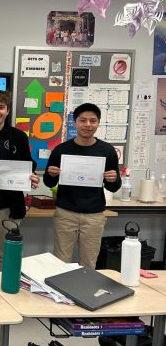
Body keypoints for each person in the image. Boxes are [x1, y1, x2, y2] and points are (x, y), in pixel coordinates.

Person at [43, 103, 121, 268]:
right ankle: (59, 292)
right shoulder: (61, 150)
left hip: (94, 215)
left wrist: (113, 179)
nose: (88, 125)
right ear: (74, 123)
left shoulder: (107, 151)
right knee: (60, 261)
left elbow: (113, 187)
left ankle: (85, 293)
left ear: (98, 123)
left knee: (89, 262)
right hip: (65, 213)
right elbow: (48, 182)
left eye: (93, 121)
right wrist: (50, 174)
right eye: (83, 120)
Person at [0, 89, 39, 274]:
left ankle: (6, 290)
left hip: (10, 206)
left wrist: (30, 176)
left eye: (1, 107)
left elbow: (28, 164)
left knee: (5, 254)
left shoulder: (19, 137)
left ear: (8, 110)